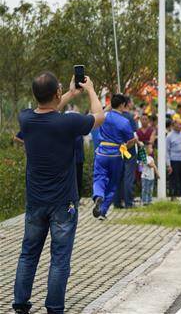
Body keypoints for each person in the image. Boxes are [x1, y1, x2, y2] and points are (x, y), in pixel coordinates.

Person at [13, 72, 104, 314]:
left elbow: (46, 109)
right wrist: (91, 90)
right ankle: (54, 308)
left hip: (35, 202)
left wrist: (70, 93)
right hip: (63, 204)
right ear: (56, 93)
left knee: (28, 254)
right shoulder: (69, 122)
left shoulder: (26, 120)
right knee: (60, 258)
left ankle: (20, 305)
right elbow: (99, 116)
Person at [92, 93, 137, 219]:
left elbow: (99, 114)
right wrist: (126, 147)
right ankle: (103, 211)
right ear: (123, 105)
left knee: (99, 177)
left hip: (101, 152)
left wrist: (110, 105)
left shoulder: (104, 116)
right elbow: (131, 140)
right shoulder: (124, 122)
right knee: (113, 183)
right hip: (116, 154)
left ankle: (98, 195)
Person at [114, 99, 139, 210]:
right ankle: (129, 202)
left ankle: (117, 202)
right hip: (129, 150)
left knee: (118, 176)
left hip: (117, 149)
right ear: (126, 104)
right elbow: (133, 137)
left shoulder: (112, 117)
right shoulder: (129, 118)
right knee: (129, 176)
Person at [166, 119, 181, 199]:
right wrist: (168, 164)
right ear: (174, 125)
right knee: (174, 180)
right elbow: (167, 151)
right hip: (174, 160)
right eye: (179, 124)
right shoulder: (169, 136)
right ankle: (174, 197)